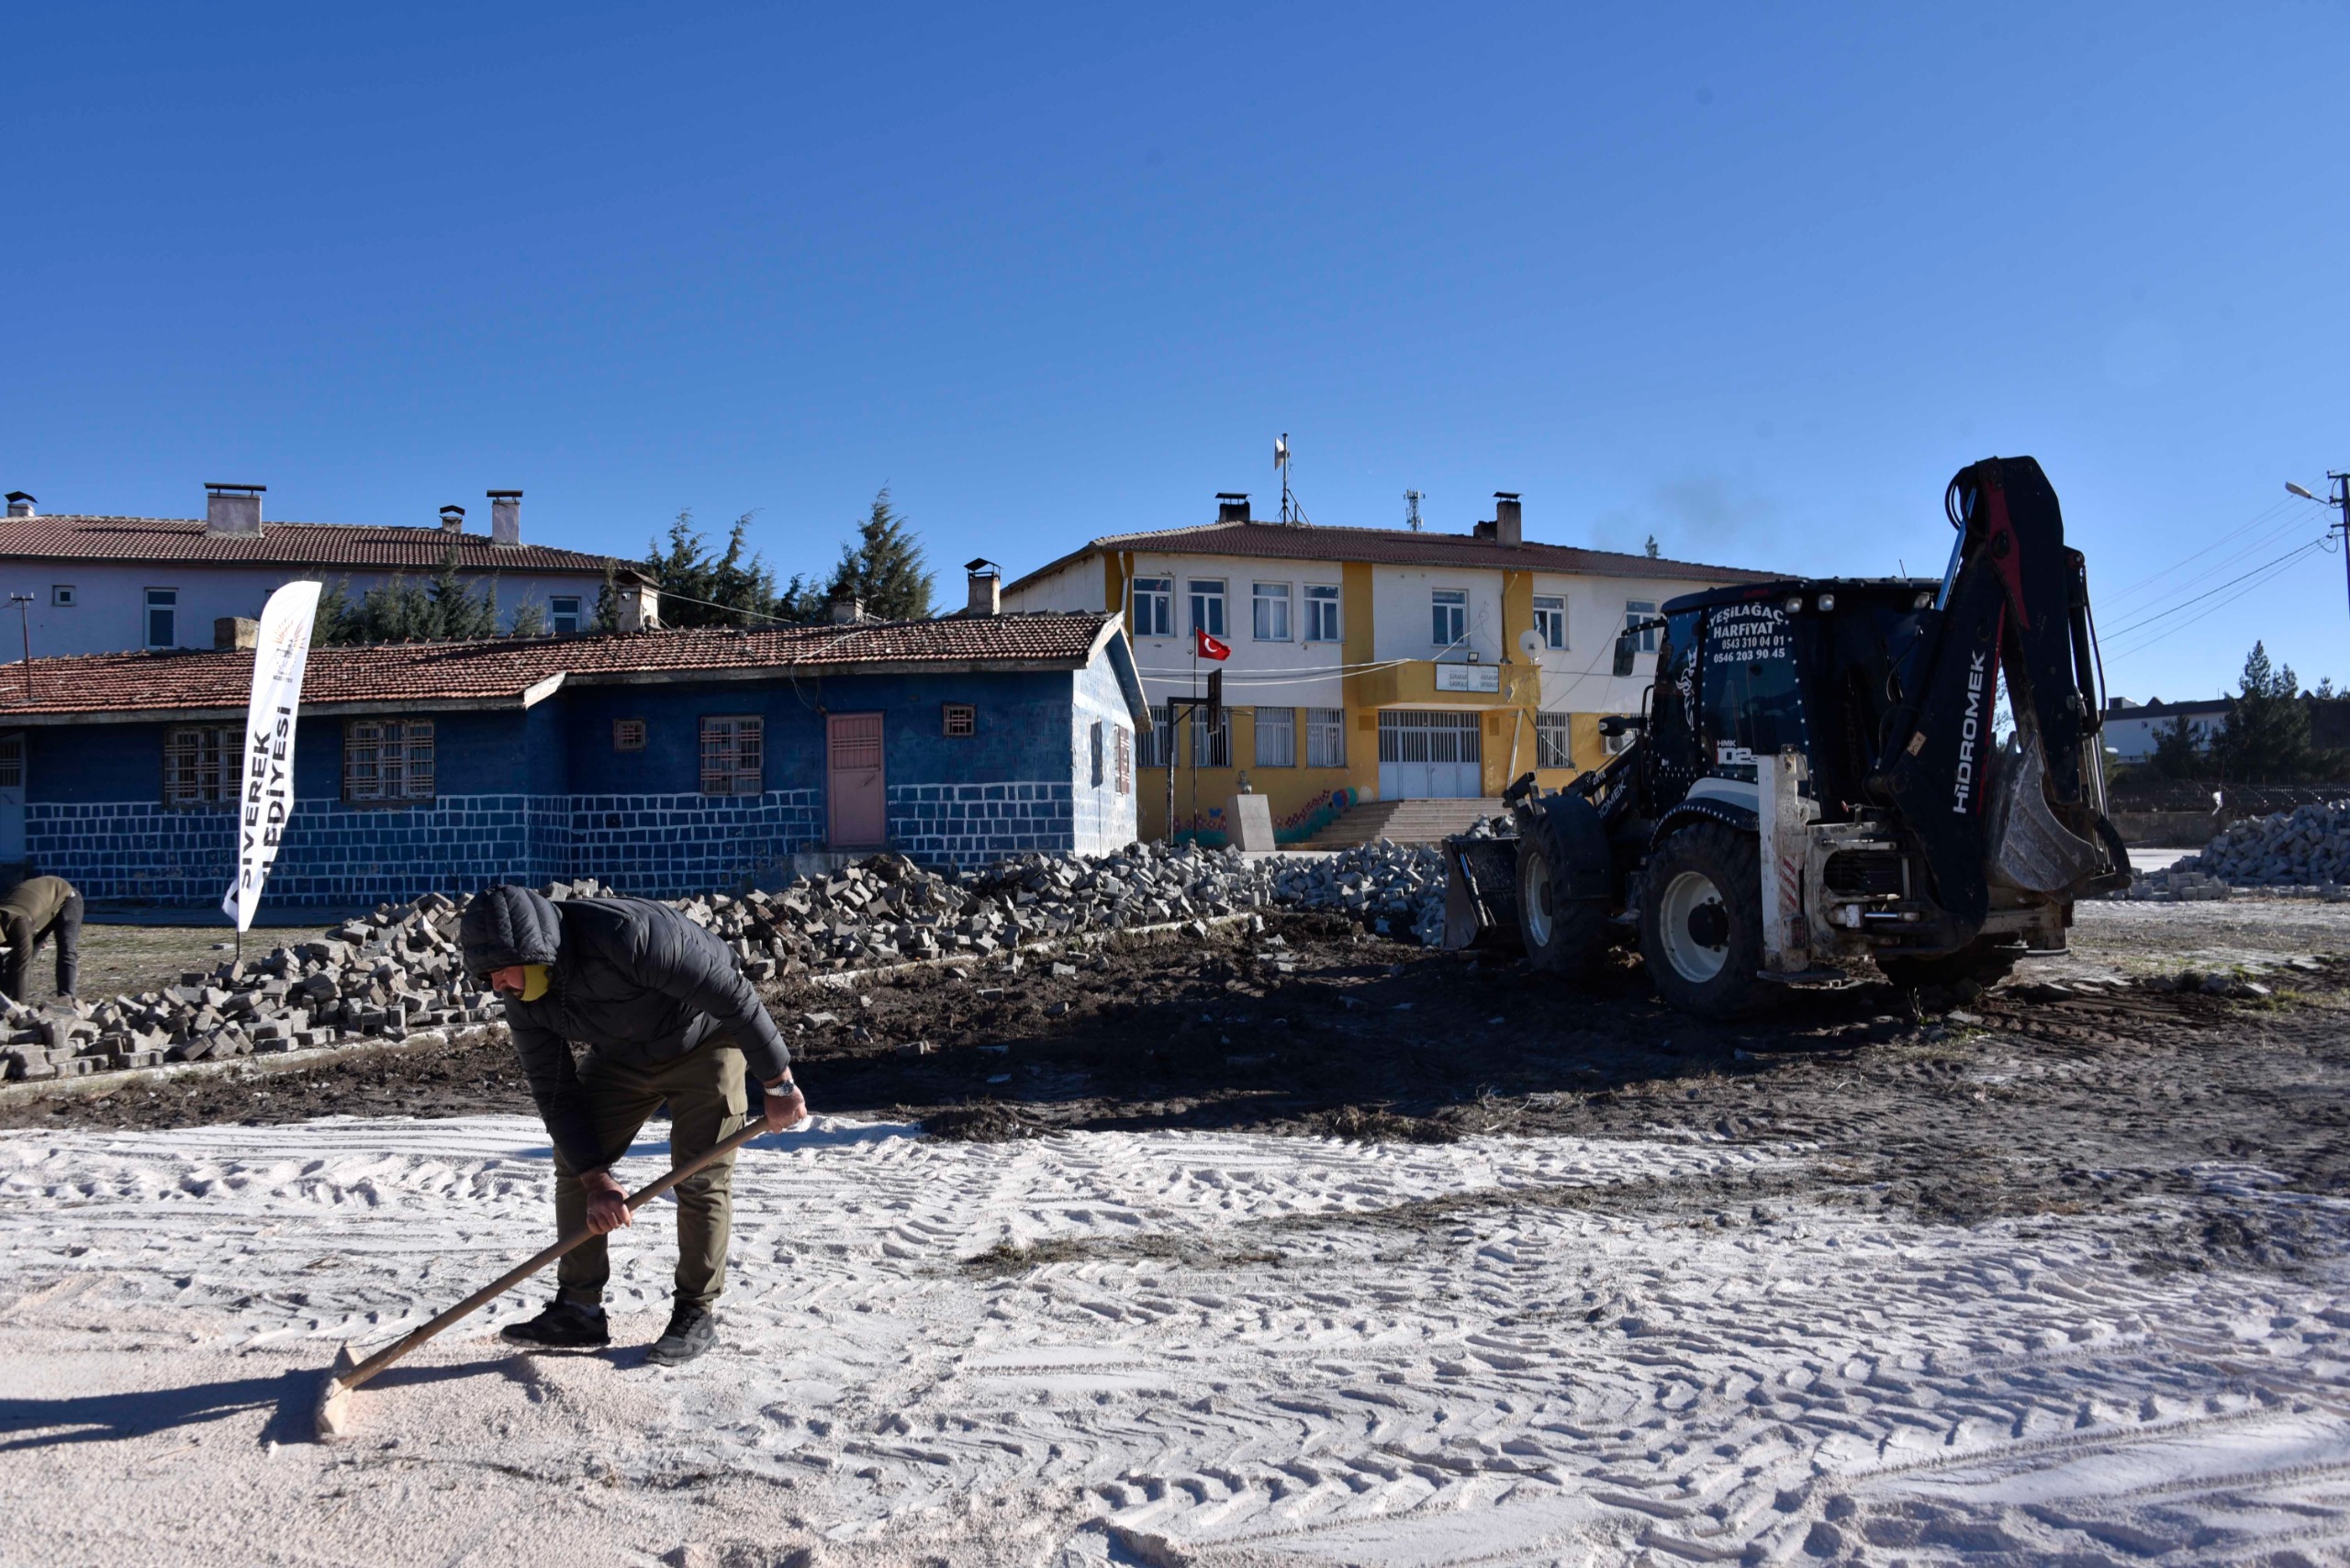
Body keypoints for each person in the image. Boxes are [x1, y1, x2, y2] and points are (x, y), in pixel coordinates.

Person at [459, 884, 808, 1366]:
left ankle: (695, 1312)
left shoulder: (629, 936)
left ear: (533, 951)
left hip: (705, 1038)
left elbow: (733, 995)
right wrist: (596, 1177)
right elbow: (555, 1090)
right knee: (577, 1160)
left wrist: (777, 1083)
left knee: (699, 1174)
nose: (498, 985)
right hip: (623, 1055)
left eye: (500, 971)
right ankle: (580, 1309)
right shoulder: (526, 997)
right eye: (488, 976)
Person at [0, 875, 82, 1002]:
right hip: (40, 910)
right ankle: (6, 1000)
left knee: (66, 947)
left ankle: (68, 1001)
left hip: (66, 898)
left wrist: (20, 1009)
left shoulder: (18, 923)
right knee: (15, 960)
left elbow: (22, 966)